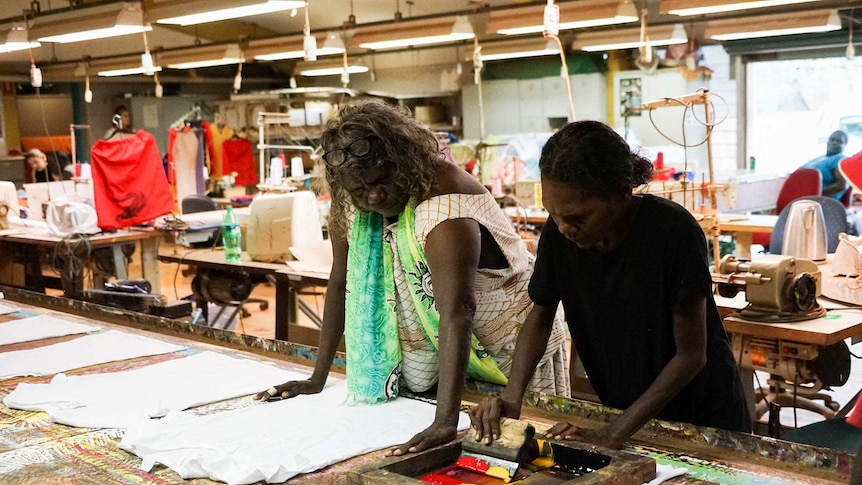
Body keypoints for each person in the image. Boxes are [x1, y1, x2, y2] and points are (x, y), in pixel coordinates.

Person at [255, 99, 569, 455]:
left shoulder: (445, 205)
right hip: (450, 356)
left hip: (512, 354)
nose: (373, 197)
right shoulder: (350, 202)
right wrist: (317, 378)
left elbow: (457, 310)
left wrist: (445, 422)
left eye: (380, 182)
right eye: (359, 191)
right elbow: (341, 284)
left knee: (523, 458)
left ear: (401, 162)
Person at [470, 121, 751, 450]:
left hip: (702, 419)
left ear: (622, 191)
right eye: (553, 214)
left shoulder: (673, 233)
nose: (563, 228)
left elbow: (691, 356)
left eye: (577, 217)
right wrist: (512, 396)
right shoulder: (560, 238)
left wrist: (611, 434)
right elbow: (540, 314)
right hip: (629, 414)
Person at [801, 130, 849, 200]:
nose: (834, 143)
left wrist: (814, 194)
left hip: (820, 200)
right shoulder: (819, 158)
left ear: (845, 145)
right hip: (800, 195)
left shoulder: (840, 160)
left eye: (839, 141)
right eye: (832, 139)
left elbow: (841, 185)